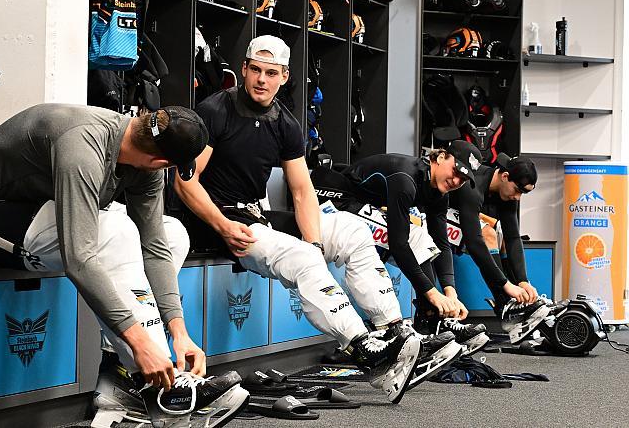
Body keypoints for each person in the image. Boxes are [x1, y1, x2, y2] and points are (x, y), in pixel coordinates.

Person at [173, 34, 462, 404]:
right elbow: (185, 184)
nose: (262, 80)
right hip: (213, 221)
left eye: (271, 73)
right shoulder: (215, 111)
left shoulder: (286, 123)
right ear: (244, 70)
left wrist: (314, 242)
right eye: (256, 70)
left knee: (351, 230)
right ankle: (363, 351)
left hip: (252, 216)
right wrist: (221, 225)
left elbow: (302, 191)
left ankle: (392, 332)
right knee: (306, 257)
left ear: (284, 77)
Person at [0, 103, 248, 428]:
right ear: (160, 162)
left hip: (29, 213)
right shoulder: (83, 146)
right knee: (116, 232)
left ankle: (120, 377)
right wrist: (140, 342)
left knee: (173, 235)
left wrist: (178, 331)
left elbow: (154, 248)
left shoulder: (142, 160)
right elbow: (79, 258)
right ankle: (159, 390)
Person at [310, 142, 490, 356]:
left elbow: (441, 243)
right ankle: (432, 321)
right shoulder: (406, 179)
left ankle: (434, 321)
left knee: (421, 237)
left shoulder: (438, 191)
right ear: (441, 157)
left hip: (360, 204)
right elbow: (399, 244)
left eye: (464, 179)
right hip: (334, 200)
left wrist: (450, 292)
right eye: (456, 171)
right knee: (414, 238)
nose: (456, 180)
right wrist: (433, 294)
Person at [448, 154, 550, 344]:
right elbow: (475, 242)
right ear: (504, 176)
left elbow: (513, 237)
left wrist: (522, 281)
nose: (517, 197)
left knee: (501, 235)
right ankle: (504, 303)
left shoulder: (508, 194)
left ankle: (513, 306)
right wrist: (505, 284)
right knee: (488, 234)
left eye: (523, 193)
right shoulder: (475, 186)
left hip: (463, 215)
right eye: (517, 190)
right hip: (432, 215)